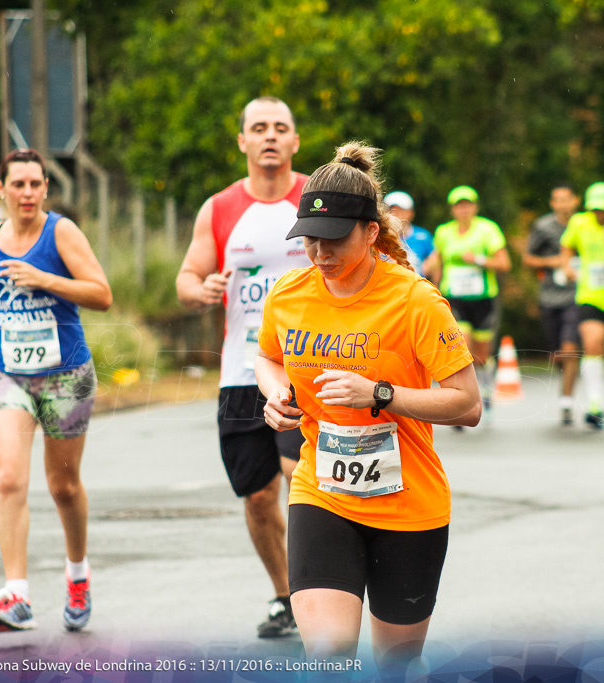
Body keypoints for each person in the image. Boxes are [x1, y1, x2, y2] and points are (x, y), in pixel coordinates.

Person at [254, 142, 481, 674]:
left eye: (333, 239)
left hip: (409, 505)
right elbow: (266, 356)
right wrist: (275, 392)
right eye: (309, 239)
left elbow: (468, 404)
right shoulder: (288, 295)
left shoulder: (415, 301)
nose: (319, 253)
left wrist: (378, 394)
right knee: (329, 657)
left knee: (396, 665)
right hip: (322, 492)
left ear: (371, 231)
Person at [0, 148, 112, 632]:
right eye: (17, 184)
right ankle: (15, 595)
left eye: (36, 184)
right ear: (1, 190)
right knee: (8, 479)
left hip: (66, 375)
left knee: (63, 487)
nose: (27, 193)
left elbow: (101, 293)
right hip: (7, 371)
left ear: (45, 188)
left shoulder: (60, 233)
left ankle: (77, 573)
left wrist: (44, 278)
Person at [175, 96, 308, 638]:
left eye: (281, 128)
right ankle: (286, 596)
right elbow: (187, 276)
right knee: (257, 498)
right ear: (243, 142)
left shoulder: (316, 201)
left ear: (295, 141)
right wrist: (200, 289)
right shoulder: (222, 207)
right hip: (241, 372)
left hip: (307, 369)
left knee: (301, 479)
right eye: (259, 128)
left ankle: (322, 589)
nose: (270, 136)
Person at [424, 185, 511, 414]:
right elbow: (438, 263)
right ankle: (464, 398)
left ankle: (486, 389)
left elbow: (504, 263)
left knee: (482, 355)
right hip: (455, 298)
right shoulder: (444, 232)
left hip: (483, 299)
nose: (463, 210)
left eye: (467, 205)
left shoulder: (488, 229)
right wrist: (433, 288)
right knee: (464, 345)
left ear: (475, 207)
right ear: (452, 209)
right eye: (458, 206)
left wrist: (479, 259)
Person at [559, 181, 604, 427]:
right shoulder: (579, 222)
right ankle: (595, 405)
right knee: (592, 344)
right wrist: (567, 266)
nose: (600, 214)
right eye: (595, 210)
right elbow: (566, 246)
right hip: (590, 296)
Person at [522, 183, 581, 425]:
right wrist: (555, 261)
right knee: (558, 352)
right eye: (558, 200)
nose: (563, 204)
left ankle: (566, 399)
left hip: (577, 295)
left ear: (575, 201)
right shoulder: (543, 227)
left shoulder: (583, 225)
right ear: (552, 204)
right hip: (550, 296)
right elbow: (528, 258)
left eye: (567, 199)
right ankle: (565, 376)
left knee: (570, 348)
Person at [384, 190, 434, 277]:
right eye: (392, 210)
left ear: (411, 213)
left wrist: (430, 265)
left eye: (401, 210)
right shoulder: (378, 237)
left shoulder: (423, 236)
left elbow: (433, 260)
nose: (397, 214)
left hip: (416, 286)